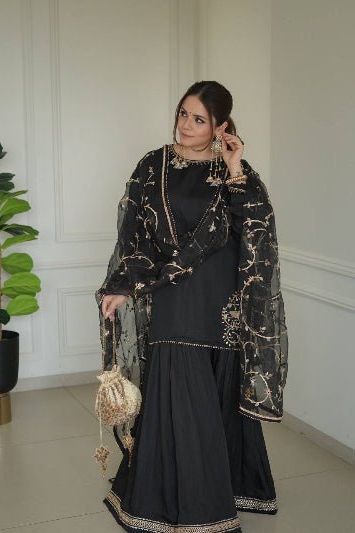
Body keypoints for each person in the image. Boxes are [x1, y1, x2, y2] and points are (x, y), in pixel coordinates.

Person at [94, 81, 288, 533]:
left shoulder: (234, 169)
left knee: (219, 394)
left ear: (220, 126)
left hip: (223, 299)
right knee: (181, 393)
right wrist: (123, 285)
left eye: (198, 119)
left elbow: (255, 229)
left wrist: (235, 168)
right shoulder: (153, 165)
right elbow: (134, 234)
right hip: (174, 292)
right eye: (183, 113)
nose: (185, 124)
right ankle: (186, 504)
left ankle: (232, 488)